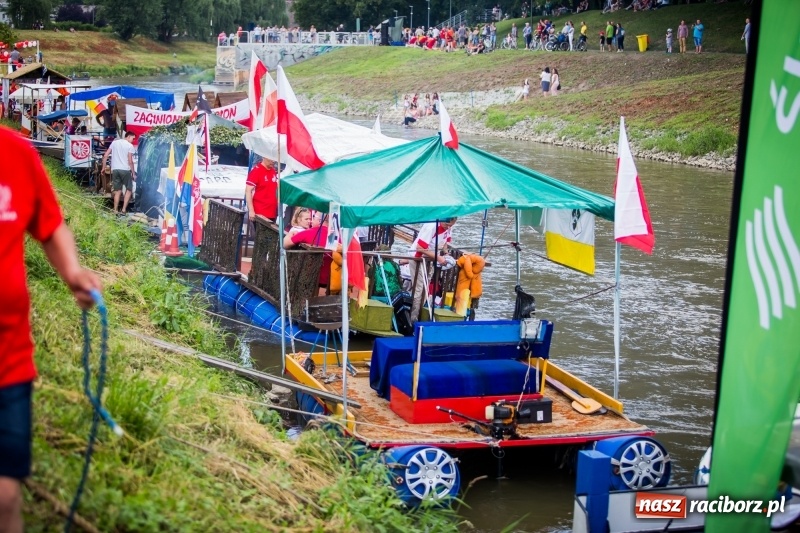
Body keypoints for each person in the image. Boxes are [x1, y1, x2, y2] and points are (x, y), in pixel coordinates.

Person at [0, 125, 102, 533]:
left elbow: (49, 224)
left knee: (5, 497)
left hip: (8, 361)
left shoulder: (16, 154)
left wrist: (73, 271)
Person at [407, 218, 457, 323]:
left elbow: (445, 242)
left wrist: (446, 253)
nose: (448, 227)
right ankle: (413, 319)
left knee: (426, 289)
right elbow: (420, 248)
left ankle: (421, 314)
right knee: (419, 289)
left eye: (451, 226)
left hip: (431, 260)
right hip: (418, 258)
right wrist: (438, 258)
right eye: (447, 225)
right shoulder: (431, 227)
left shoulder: (448, 227)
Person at [283, 211, 331, 295]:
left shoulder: (308, 233)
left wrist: (290, 233)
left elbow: (284, 244)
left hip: (310, 276)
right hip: (332, 277)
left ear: (320, 221)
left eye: (313, 218)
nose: (311, 221)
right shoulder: (336, 237)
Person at [101, 130, 136, 214]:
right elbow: (130, 161)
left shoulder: (114, 143)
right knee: (129, 189)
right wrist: (133, 173)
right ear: (128, 137)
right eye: (133, 138)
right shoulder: (130, 146)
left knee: (118, 191)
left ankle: (115, 210)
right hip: (125, 170)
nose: (133, 140)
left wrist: (103, 167)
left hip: (115, 170)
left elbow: (105, 155)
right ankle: (123, 210)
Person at [245, 156, 278, 223]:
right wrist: (251, 210)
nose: (273, 161)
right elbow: (248, 190)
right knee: (259, 233)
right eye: (271, 158)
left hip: (272, 211)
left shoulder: (273, 171)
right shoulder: (256, 171)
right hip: (260, 211)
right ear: (264, 157)